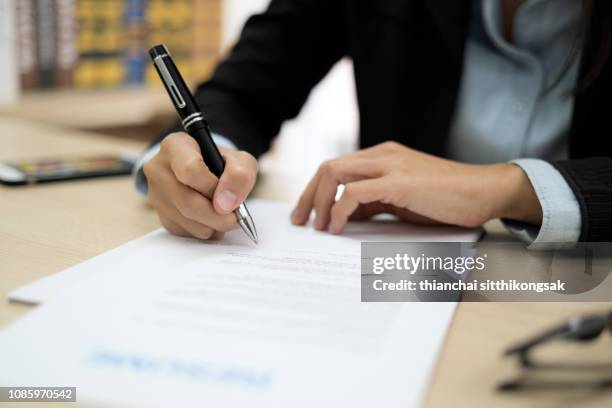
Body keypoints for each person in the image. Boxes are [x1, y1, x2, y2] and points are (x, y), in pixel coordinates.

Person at [135, 0, 612, 248]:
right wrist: (196, 159)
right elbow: (245, 90)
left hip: (583, 284)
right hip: (390, 270)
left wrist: (509, 189)